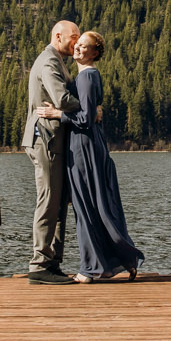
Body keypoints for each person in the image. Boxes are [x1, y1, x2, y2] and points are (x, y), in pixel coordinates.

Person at [42, 30, 143, 282]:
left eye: (84, 46)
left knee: (86, 207)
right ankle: (118, 259)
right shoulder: (88, 75)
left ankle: (91, 269)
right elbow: (90, 114)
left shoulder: (87, 77)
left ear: (95, 53)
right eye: (77, 44)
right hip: (87, 144)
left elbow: (86, 119)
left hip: (84, 147)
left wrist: (58, 115)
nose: (77, 48)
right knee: (94, 205)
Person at [22, 20, 80, 284]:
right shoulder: (48, 62)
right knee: (48, 200)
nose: (77, 42)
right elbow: (62, 100)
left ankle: (52, 263)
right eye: (74, 37)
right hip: (45, 139)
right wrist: (91, 108)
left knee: (58, 202)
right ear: (58, 36)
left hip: (53, 140)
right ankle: (39, 265)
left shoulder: (57, 61)